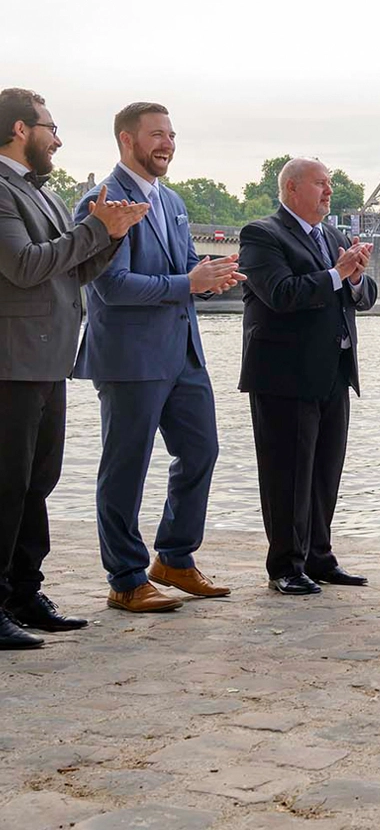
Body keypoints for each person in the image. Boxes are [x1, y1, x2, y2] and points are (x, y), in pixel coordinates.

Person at [74, 102, 242, 612]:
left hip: (183, 353)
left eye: (171, 134)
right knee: (126, 467)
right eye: (156, 135)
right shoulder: (101, 201)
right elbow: (112, 287)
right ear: (127, 140)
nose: (167, 143)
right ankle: (125, 577)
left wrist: (213, 277)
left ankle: (173, 557)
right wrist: (188, 282)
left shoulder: (171, 201)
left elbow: (183, 269)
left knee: (201, 451)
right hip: (131, 357)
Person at [0, 89, 148, 649]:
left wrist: (113, 236)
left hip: (47, 360)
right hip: (11, 363)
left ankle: (23, 591)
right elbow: (23, 266)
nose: (57, 139)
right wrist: (95, 230)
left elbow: (68, 274)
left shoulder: (41, 194)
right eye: (50, 127)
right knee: (7, 486)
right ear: (21, 129)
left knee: (37, 483)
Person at [238, 158, 377, 594]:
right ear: (292, 188)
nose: (329, 191)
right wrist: (338, 273)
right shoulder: (262, 234)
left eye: (330, 184)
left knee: (323, 474)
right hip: (284, 375)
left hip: (333, 370)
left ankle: (319, 557)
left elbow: (365, 295)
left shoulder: (332, 235)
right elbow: (280, 294)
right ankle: (284, 565)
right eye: (321, 184)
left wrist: (353, 279)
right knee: (287, 475)